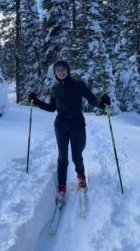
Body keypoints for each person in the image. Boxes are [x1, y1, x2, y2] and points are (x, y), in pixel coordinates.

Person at [29, 60, 110, 202]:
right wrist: (36, 102)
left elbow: (91, 99)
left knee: (77, 154)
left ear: (68, 70)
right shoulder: (54, 88)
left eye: (63, 69)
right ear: (55, 73)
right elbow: (52, 108)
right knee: (62, 156)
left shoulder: (78, 85)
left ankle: (81, 177)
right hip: (61, 125)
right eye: (58, 70)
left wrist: (102, 104)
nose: (61, 72)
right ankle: (61, 186)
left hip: (77, 123)